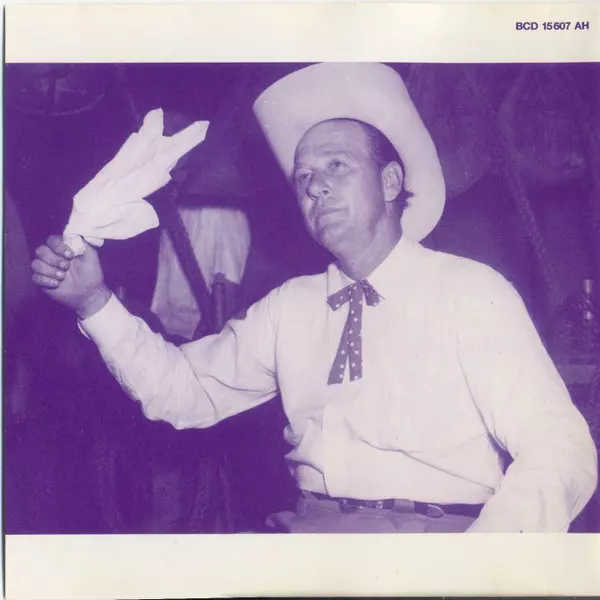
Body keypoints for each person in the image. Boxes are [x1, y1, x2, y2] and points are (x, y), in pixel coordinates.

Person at [31, 63, 597, 533]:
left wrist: (486, 560)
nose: (315, 186)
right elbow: (183, 392)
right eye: (303, 177)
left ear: (391, 183)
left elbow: (561, 448)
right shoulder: (290, 308)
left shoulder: (470, 292)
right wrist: (94, 302)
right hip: (309, 541)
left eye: (336, 167)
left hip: (438, 545)